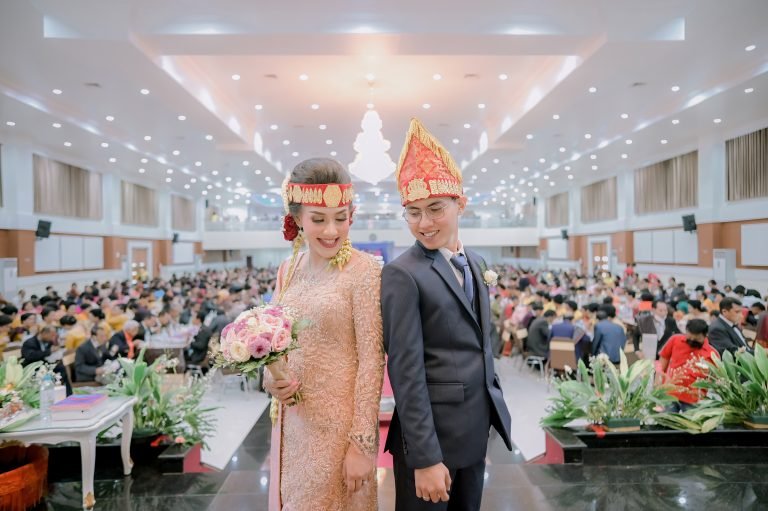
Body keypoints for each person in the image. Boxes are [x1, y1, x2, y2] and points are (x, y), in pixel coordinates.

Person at [381, 119, 512, 510]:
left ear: (461, 204)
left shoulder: (477, 262)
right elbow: (405, 371)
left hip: (474, 431)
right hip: (431, 442)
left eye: (435, 209)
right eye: (413, 212)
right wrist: (425, 458)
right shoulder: (403, 274)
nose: (424, 223)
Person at [263, 158, 384, 510]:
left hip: (340, 433)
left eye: (340, 218)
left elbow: (372, 360)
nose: (331, 230)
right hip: (293, 425)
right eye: (318, 219)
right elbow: (273, 341)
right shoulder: (287, 270)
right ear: (297, 218)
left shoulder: (364, 272)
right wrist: (271, 379)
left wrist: (362, 445)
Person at [659, 319, 719, 412]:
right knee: (665, 419)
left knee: (692, 421)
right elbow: (663, 359)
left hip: (694, 399)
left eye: (696, 339)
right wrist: (660, 379)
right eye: (689, 338)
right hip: (670, 392)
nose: (692, 341)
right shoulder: (675, 340)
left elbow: (715, 378)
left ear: (705, 335)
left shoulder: (712, 354)